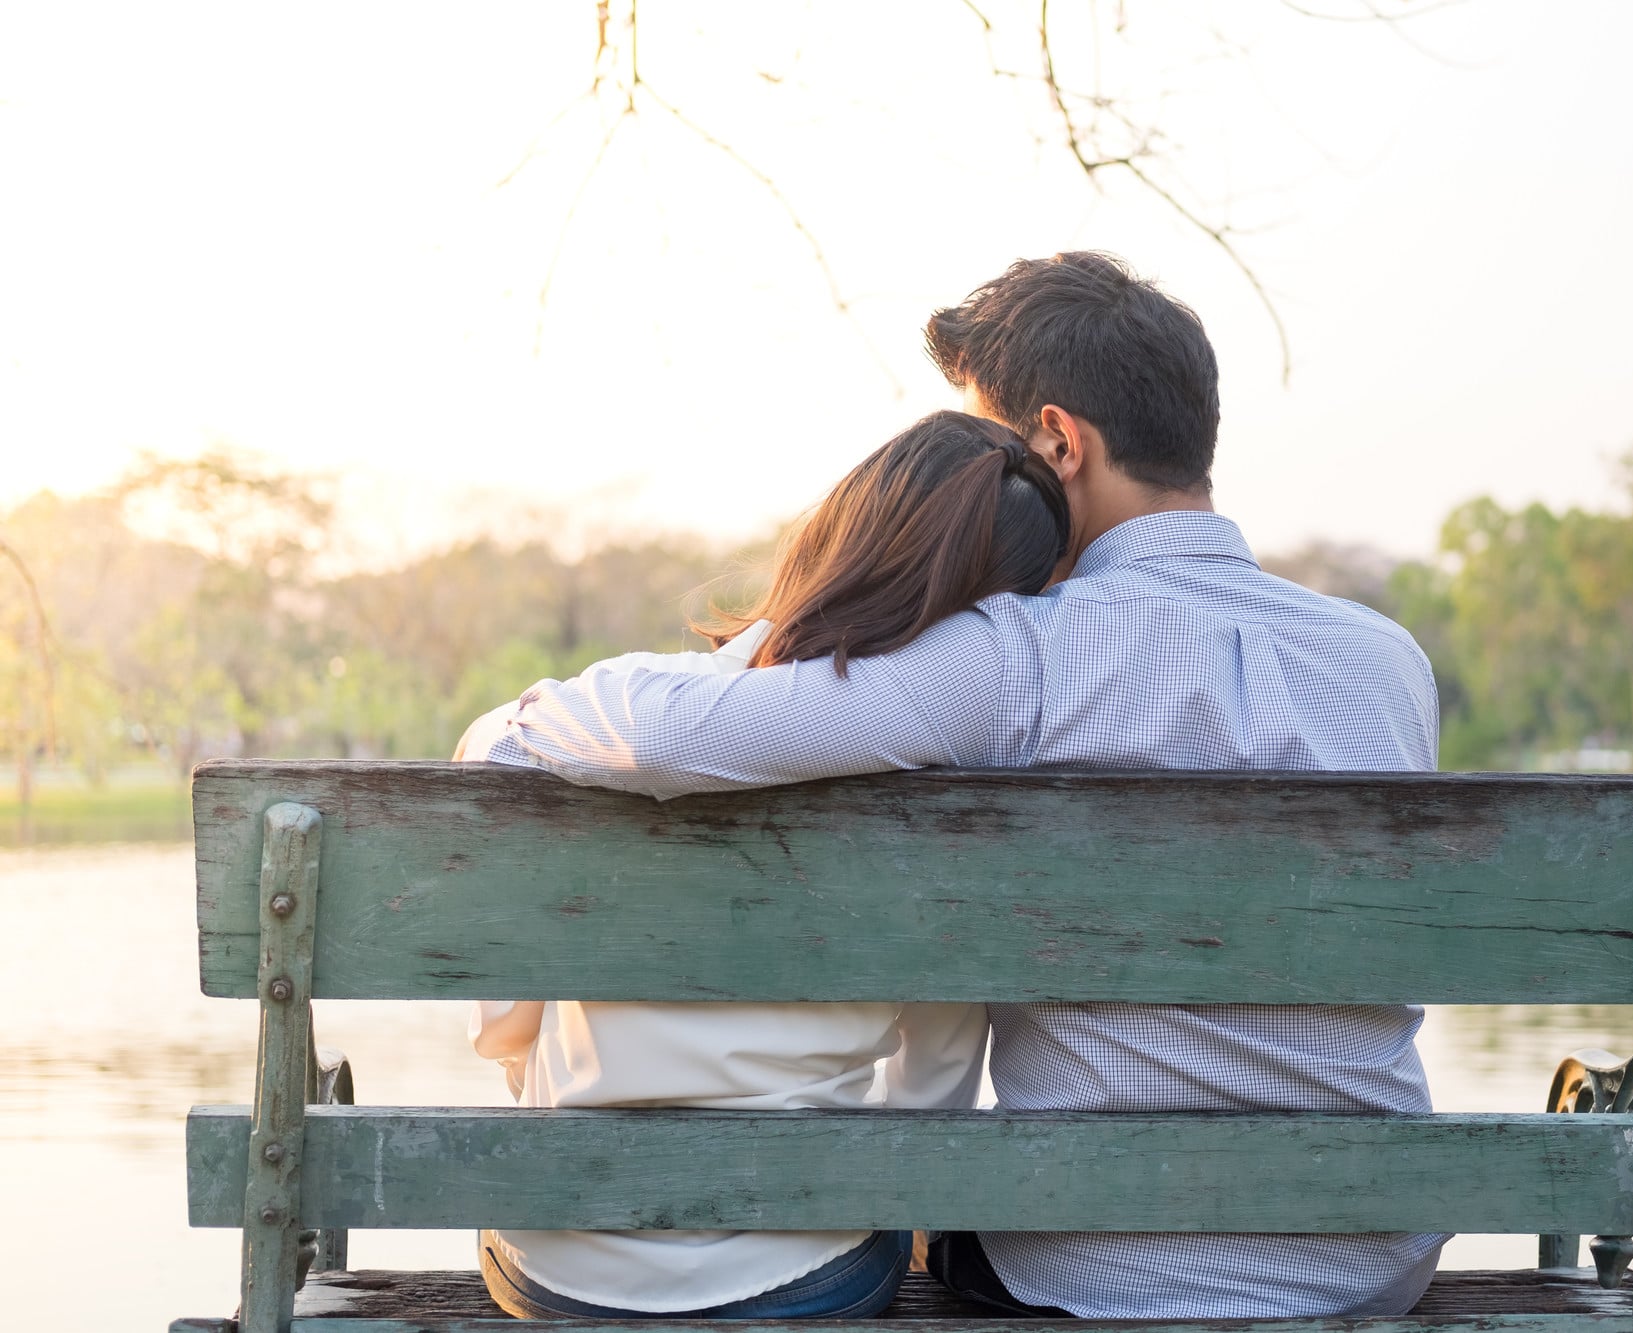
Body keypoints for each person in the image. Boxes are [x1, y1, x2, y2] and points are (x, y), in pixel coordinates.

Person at [474, 251, 1447, 1318]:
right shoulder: (1383, 658)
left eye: (996, 448)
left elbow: (679, 738)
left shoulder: (1012, 657)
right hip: (1371, 1254)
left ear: (1057, 443)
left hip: (1092, 1268)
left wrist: (525, 717)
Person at [455, 410, 1070, 1321]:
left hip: (566, 1263)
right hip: (798, 1274)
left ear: (844, 535)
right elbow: (929, 1093)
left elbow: (505, 1023)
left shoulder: (618, 721)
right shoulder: (953, 806)